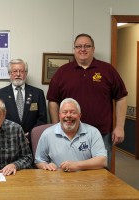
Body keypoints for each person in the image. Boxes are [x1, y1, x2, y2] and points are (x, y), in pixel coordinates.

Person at [47, 33, 128, 169]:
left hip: (101, 134)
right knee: (69, 171)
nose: (82, 49)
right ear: (74, 49)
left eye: (87, 46)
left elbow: (121, 97)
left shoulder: (107, 70)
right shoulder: (62, 72)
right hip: (70, 134)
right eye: (78, 46)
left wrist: (120, 127)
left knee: (102, 174)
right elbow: (53, 100)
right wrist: (56, 126)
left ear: (93, 48)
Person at [35, 98, 107, 172]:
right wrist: (46, 166)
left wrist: (77, 165)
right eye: (65, 112)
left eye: (73, 112)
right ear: (59, 115)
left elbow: (102, 161)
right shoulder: (47, 134)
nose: (68, 115)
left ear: (80, 115)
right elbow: (39, 160)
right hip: (57, 179)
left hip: (86, 179)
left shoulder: (93, 132)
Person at [0, 59, 47, 147]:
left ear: (25, 73)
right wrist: (13, 136)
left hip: (31, 142)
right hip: (7, 141)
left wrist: (30, 135)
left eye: (21, 71)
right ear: (9, 73)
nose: (18, 74)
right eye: (15, 71)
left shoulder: (38, 93)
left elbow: (42, 119)